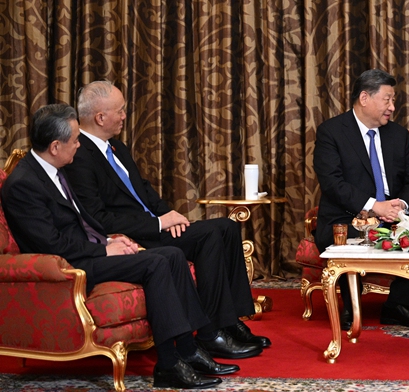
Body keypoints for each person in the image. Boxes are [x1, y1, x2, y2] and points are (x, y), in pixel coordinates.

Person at [0, 105, 232, 389]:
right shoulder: (23, 184)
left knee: (172, 255)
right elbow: (49, 243)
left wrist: (109, 239)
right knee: (157, 262)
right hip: (70, 267)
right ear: (55, 146)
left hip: (87, 252)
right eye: (74, 139)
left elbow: (83, 219)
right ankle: (169, 365)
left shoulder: (54, 168)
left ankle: (189, 350)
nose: (78, 144)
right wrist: (103, 250)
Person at [65, 81, 269, 360]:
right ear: (100, 117)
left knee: (226, 227)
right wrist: (159, 224)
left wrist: (170, 215)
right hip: (137, 235)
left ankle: (231, 320)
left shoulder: (116, 147)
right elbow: (98, 218)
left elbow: (144, 190)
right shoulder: (80, 157)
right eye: (121, 111)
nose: (125, 116)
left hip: (154, 226)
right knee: (210, 235)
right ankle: (212, 333)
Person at [313, 68, 409, 330]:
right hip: (346, 215)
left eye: (393, 100)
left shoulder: (398, 135)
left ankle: (397, 305)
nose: (392, 106)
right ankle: (350, 306)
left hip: (393, 214)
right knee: (343, 238)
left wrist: (401, 206)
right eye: (387, 99)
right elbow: (332, 183)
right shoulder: (331, 132)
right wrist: (374, 206)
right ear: (365, 98)